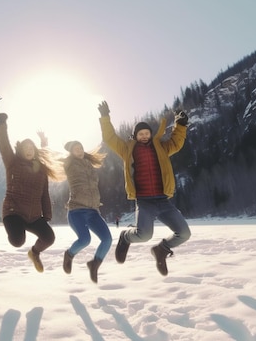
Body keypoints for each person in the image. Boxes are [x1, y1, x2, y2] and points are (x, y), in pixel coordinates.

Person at [98, 100, 191, 276]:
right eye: (140, 133)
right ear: (135, 135)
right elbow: (110, 138)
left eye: (147, 132)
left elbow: (176, 143)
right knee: (144, 235)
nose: (144, 136)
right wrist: (105, 117)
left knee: (184, 233)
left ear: (151, 134)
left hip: (163, 200)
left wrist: (181, 125)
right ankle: (125, 237)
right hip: (145, 201)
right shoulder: (127, 149)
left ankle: (161, 249)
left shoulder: (161, 147)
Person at [0, 112, 57, 273]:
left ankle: (34, 253)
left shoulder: (41, 170)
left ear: (35, 151)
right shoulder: (12, 162)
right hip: (13, 212)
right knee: (17, 241)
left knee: (49, 238)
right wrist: (2, 125)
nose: (29, 150)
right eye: (25, 148)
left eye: (31, 148)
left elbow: (45, 193)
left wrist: (47, 214)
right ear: (20, 150)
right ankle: (15, 230)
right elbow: (4, 146)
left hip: (34, 215)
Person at [61, 140, 112, 283]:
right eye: (76, 149)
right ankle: (69, 255)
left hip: (93, 211)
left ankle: (94, 264)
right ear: (71, 152)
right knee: (85, 240)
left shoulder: (89, 165)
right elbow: (57, 159)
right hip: (77, 210)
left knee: (107, 239)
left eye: (81, 147)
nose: (79, 150)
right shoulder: (69, 163)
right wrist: (44, 144)